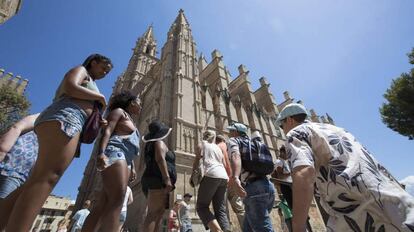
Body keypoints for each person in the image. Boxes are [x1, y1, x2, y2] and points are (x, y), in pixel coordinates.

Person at [2, 54, 112, 232]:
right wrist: (99, 98)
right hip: (66, 118)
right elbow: (70, 87)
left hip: (69, 119)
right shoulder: (81, 70)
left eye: (108, 71)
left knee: (35, 180)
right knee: (47, 178)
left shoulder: (90, 79)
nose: (105, 73)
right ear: (93, 62)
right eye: (104, 68)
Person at [277, 103, 414, 232]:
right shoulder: (338, 130)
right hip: (400, 207)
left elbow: (304, 173)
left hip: (363, 217)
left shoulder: (296, 133)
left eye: (282, 126)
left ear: (290, 120)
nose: (283, 131)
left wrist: (298, 227)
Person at [82, 91, 141, 232]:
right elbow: (107, 131)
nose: (141, 105)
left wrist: (132, 166)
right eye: (139, 102)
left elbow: (129, 145)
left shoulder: (131, 119)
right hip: (115, 152)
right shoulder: (119, 112)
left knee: (103, 203)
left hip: (125, 158)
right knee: (118, 200)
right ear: (132, 102)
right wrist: (101, 153)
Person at [227, 123, 275, 232]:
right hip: (268, 187)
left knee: (262, 228)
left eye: (231, 131)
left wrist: (235, 177)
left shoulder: (235, 141)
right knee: (248, 227)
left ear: (236, 132)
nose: (229, 134)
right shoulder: (257, 143)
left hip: (254, 189)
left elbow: (235, 156)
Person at [142, 120, 176, 232]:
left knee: (159, 213)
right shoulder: (159, 143)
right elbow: (160, 159)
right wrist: (167, 179)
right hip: (158, 179)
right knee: (153, 213)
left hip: (155, 179)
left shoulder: (152, 144)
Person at [193, 130, 230, 232]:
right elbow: (225, 164)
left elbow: (197, 161)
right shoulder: (218, 148)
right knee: (220, 209)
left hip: (211, 174)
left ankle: (217, 230)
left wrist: (193, 175)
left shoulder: (202, 145)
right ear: (213, 137)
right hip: (223, 176)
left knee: (202, 207)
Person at [0, 114, 39, 200]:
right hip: (10, 167)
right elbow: (16, 127)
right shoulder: (42, 117)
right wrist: (2, 152)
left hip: (21, 175)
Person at [216, 134, 245, 230]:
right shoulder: (230, 146)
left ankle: (226, 229)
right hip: (233, 179)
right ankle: (247, 228)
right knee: (239, 207)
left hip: (222, 180)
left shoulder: (217, 147)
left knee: (223, 209)